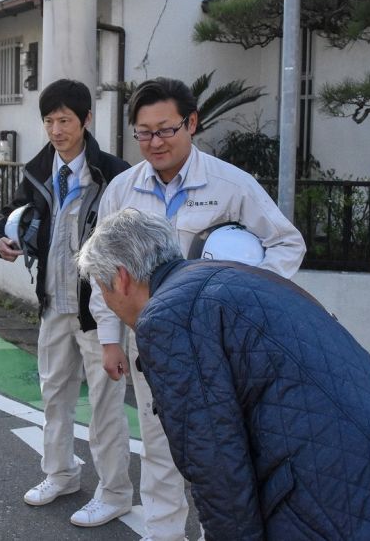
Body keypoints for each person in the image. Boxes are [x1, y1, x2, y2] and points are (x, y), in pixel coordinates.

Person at [77, 208, 370, 541]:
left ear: (123, 276)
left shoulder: (165, 318)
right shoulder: (228, 277)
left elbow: (215, 459)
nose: (108, 303)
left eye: (103, 288)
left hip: (335, 494)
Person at [90, 78, 306, 541]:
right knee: (157, 442)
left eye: (166, 130)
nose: (155, 142)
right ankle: (163, 533)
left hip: (218, 345)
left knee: (221, 450)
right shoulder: (123, 190)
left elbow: (287, 243)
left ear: (191, 123)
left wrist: (247, 294)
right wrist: (110, 339)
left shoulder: (232, 185)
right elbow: (105, 268)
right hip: (153, 339)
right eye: (143, 133)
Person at [0, 79, 134, 528]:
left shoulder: (114, 174)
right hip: (53, 305)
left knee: (107, 406)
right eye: (49, 120)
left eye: (64, 120)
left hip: (99, 313)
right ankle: (61, 473)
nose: (56, 129)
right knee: (54, 397)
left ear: (86, 120)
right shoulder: (37, 170)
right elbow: (9, 216)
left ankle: (115, 492)